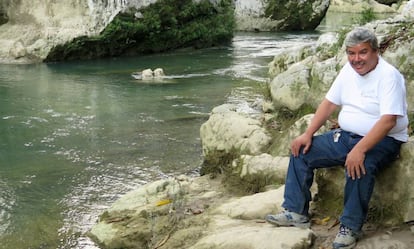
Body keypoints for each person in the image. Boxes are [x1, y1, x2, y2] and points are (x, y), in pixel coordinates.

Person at [265, 27, 408, 249]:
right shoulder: (347, 71)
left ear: (375, 52)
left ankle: (350, 227)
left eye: (362, 53)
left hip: (383, 139)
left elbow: (388, 120)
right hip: (346, 136)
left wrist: (359, 150)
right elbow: (329, 103)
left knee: (360, 165)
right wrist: (308, 133)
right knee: (301, 151)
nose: (356, 59)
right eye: (351, 53)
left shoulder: (389, 76)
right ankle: (295, 211)